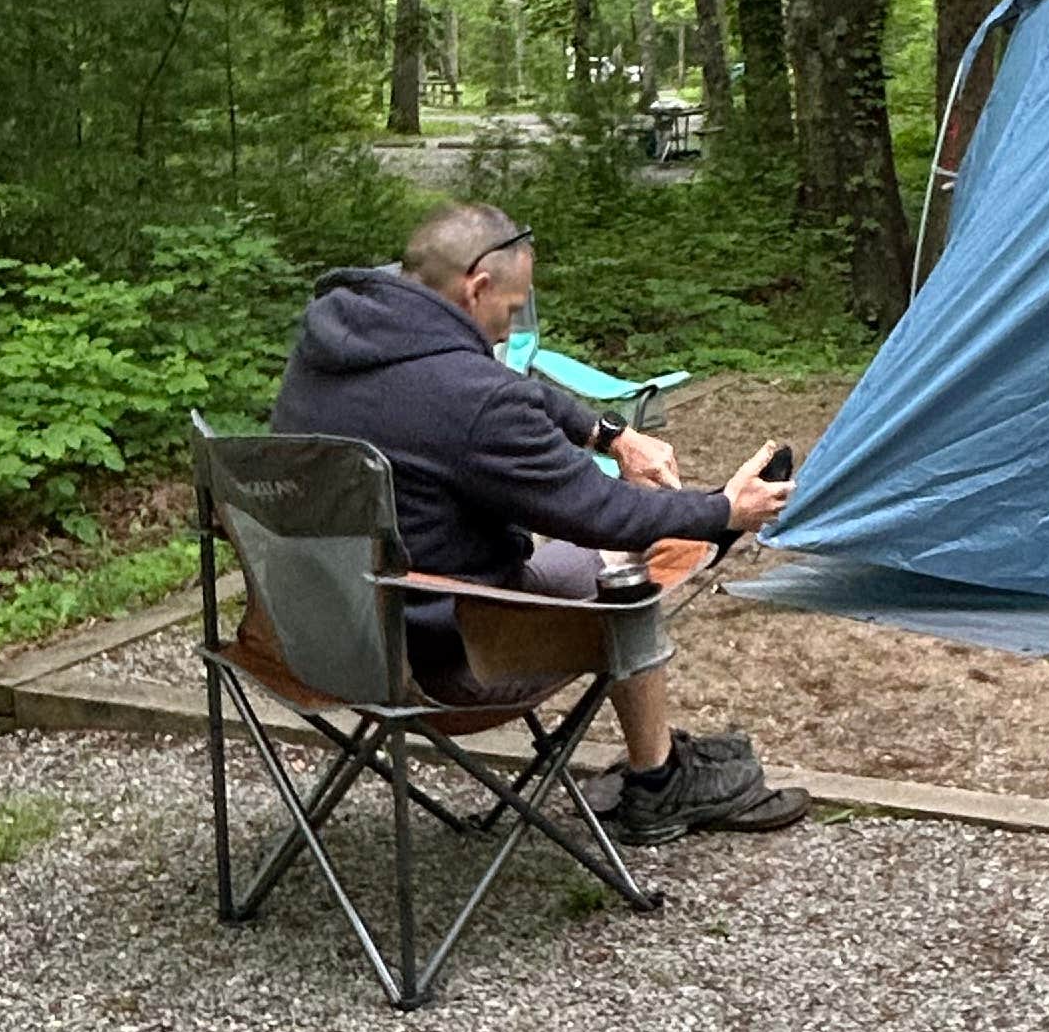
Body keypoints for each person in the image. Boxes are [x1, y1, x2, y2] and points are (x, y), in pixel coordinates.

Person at [271, 200, 805, 842]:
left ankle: (657, 763)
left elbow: (498, 382)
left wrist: (609, 434)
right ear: (477, 287)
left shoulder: (333, 346)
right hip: (446, 655)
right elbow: (602, 512)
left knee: (602, 555)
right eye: (511, 307)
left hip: (313, 635)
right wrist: (725, 510)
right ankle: (659, 783)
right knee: (624, 573)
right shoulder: (471, 400)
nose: (510, 326)